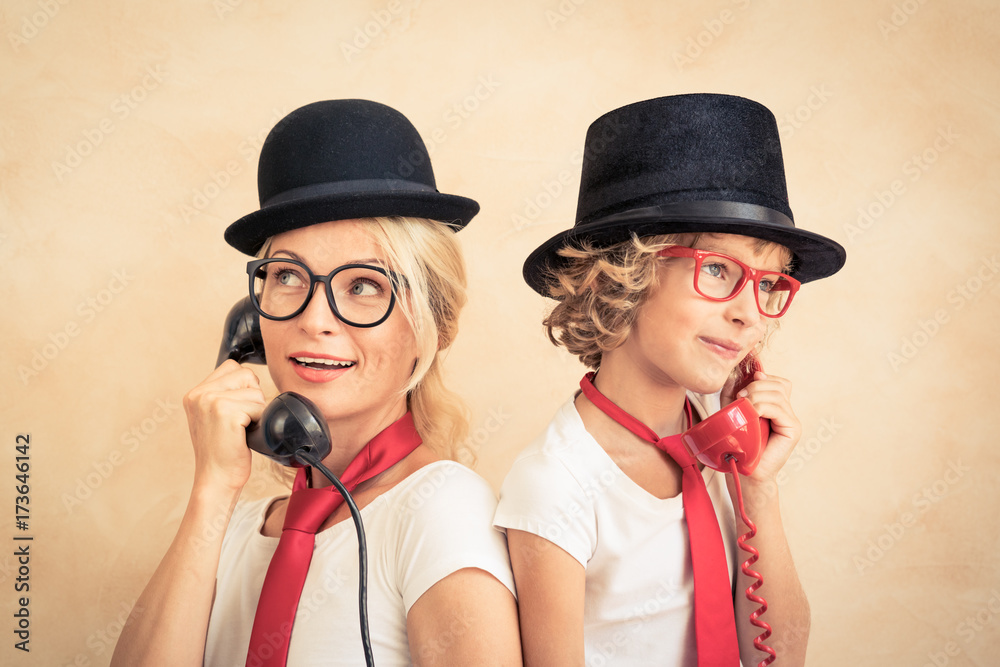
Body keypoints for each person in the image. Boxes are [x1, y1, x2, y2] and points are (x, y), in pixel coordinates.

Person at [112, 99, 521, 666]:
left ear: (433, 321)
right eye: (287, 276)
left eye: (363, 285)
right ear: (252, 322)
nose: (314, 319)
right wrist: (211, 491)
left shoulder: (440, 511)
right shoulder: (233, 530)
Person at [494, 93, 846, 666]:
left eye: (766, 284)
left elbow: (781, 658)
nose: (749, 314)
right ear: (623, 275)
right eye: (716, 269)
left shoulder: (719, 445)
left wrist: (757, 487)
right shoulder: (554, 486)